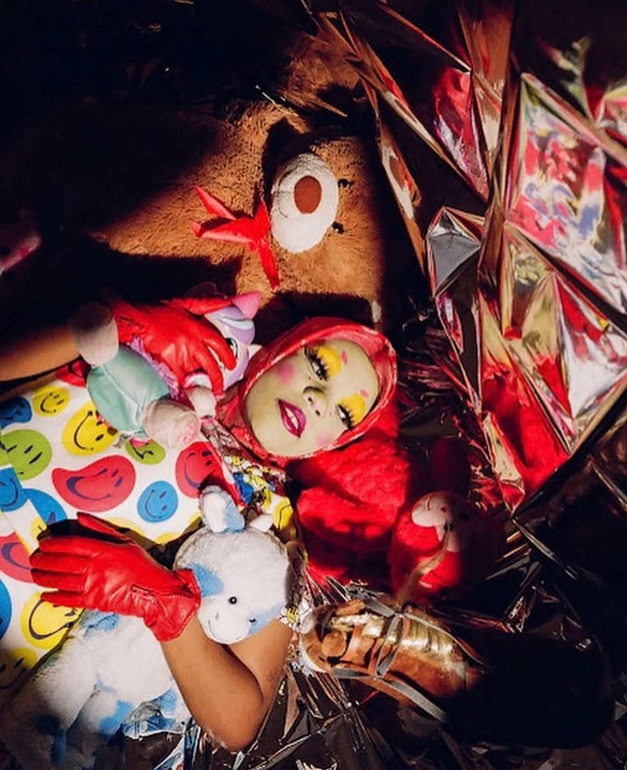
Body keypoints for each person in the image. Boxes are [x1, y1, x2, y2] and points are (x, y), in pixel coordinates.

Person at [0, 296, 398, 753]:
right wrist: (117, 322)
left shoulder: (275, 529)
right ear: (282, 348)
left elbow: (239, 719)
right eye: (319, 367)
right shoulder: (186, 348)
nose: (319, 400)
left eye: (344, 415)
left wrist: (160, 602)